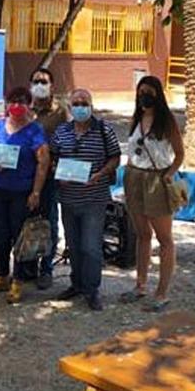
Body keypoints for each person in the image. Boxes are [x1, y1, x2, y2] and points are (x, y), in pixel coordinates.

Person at [49, 89, 120, 311]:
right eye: (76, 103)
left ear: (91, 105)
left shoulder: (104, 130)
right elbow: (52, 158)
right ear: (70, 108)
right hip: (68, 199)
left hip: (94, 198)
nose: (81, 107)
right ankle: (77, 284)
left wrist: (101, 173)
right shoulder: (62, 131)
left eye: (84, 103)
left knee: (91, 247)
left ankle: (92, 289)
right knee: (74, 245)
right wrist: (58, 174)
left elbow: (115, 157)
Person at [0, 86, 50, 304]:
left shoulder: (35, 130)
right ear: (6, 103)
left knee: (19, 237)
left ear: (29, 105)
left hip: (21, 192)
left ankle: (18, 280)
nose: (16, 106)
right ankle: (1, 276)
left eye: (21, 101)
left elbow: (43, 162)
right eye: (12, 101)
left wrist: (36, 191)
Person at [121, 75, 185, 313]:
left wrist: (169, 174)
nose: (144, 96)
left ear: (158, 94)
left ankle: (162, 292)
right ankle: (140, 284)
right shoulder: (136, 119)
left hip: (156, 179)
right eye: (140, 91)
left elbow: (179, 153)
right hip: (134, 177)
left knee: (164, 238)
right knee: (142, 234)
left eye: (149, 91)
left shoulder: (167, 121)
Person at [27, 67, 67, 290]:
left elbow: (70, 138)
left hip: (50, 176)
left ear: (52, 86)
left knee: (50, 221)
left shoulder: (60, 112)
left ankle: (46, 269)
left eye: (44, 81)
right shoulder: (25, 110)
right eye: (36, 81)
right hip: (25, 175)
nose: (40, 85)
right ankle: (28, 265)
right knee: (27, 220)